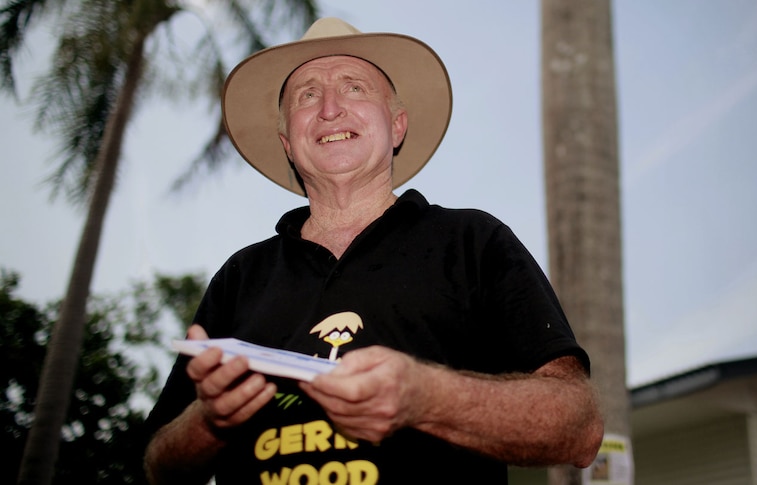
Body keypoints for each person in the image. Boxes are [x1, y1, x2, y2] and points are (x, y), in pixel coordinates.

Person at [143, 17, 603, 485]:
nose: (329, 109)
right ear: (288, 142)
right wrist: (209, 421)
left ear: (397, 125)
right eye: (306, 95)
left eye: (354, 88)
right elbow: (156, 465)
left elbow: (579, 427)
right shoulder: (241, 275)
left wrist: (426, 397)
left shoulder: (473, 241)